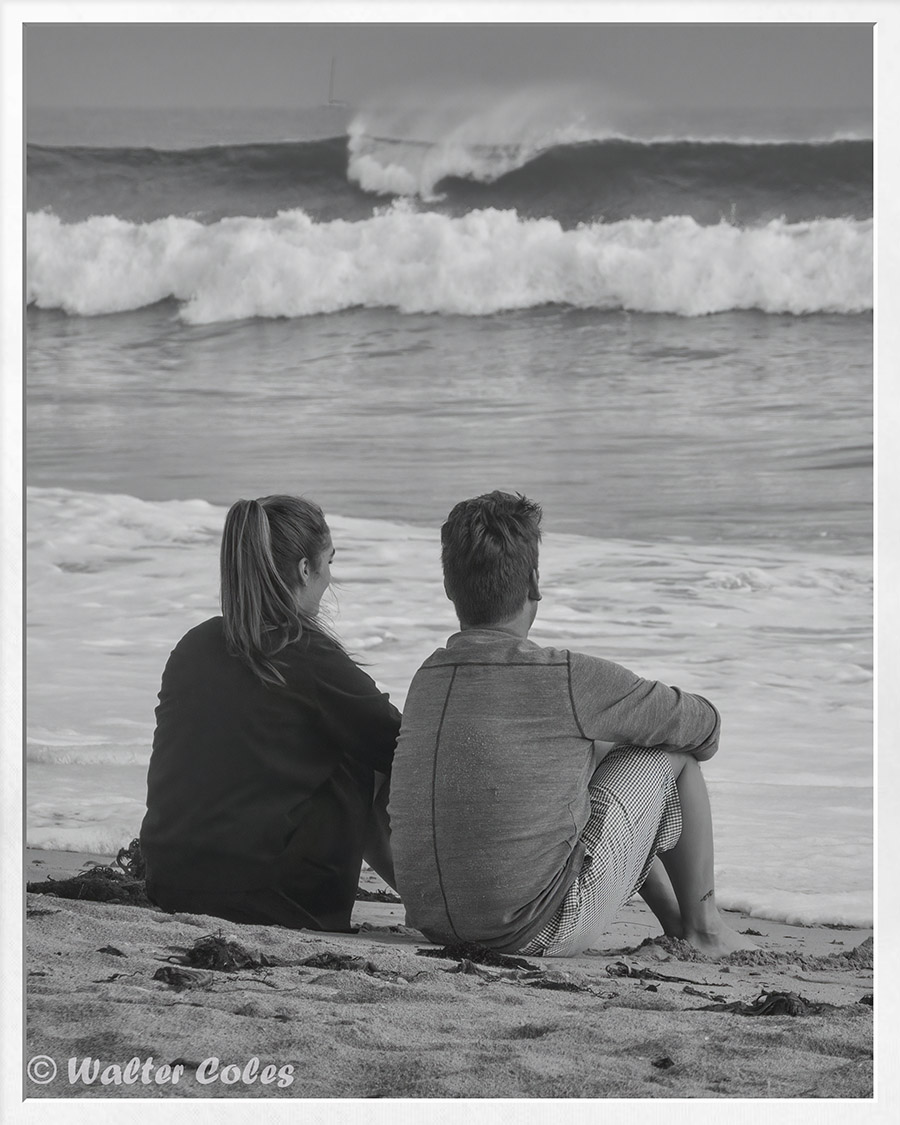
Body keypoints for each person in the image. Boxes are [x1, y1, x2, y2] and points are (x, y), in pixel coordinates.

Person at [388, 491, 755, 958]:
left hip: (437, 923)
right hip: (531, 931)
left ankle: (677, 926)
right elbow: (703, 728)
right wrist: (613, 726)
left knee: (584, 752)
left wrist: (591, 745)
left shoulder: (429, 676)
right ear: (534, 582)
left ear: (449, 587)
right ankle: (705, 930)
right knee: (670, 754)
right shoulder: (564, 676)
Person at [140, 494, 400, 932]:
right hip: (270, 899)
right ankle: (427, 900)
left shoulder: (193, 644)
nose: (329, 577)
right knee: (367, 752)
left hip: (168, 880)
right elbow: (402, 748)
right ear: (304, 569)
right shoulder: (308, 654)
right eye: (328, 563)